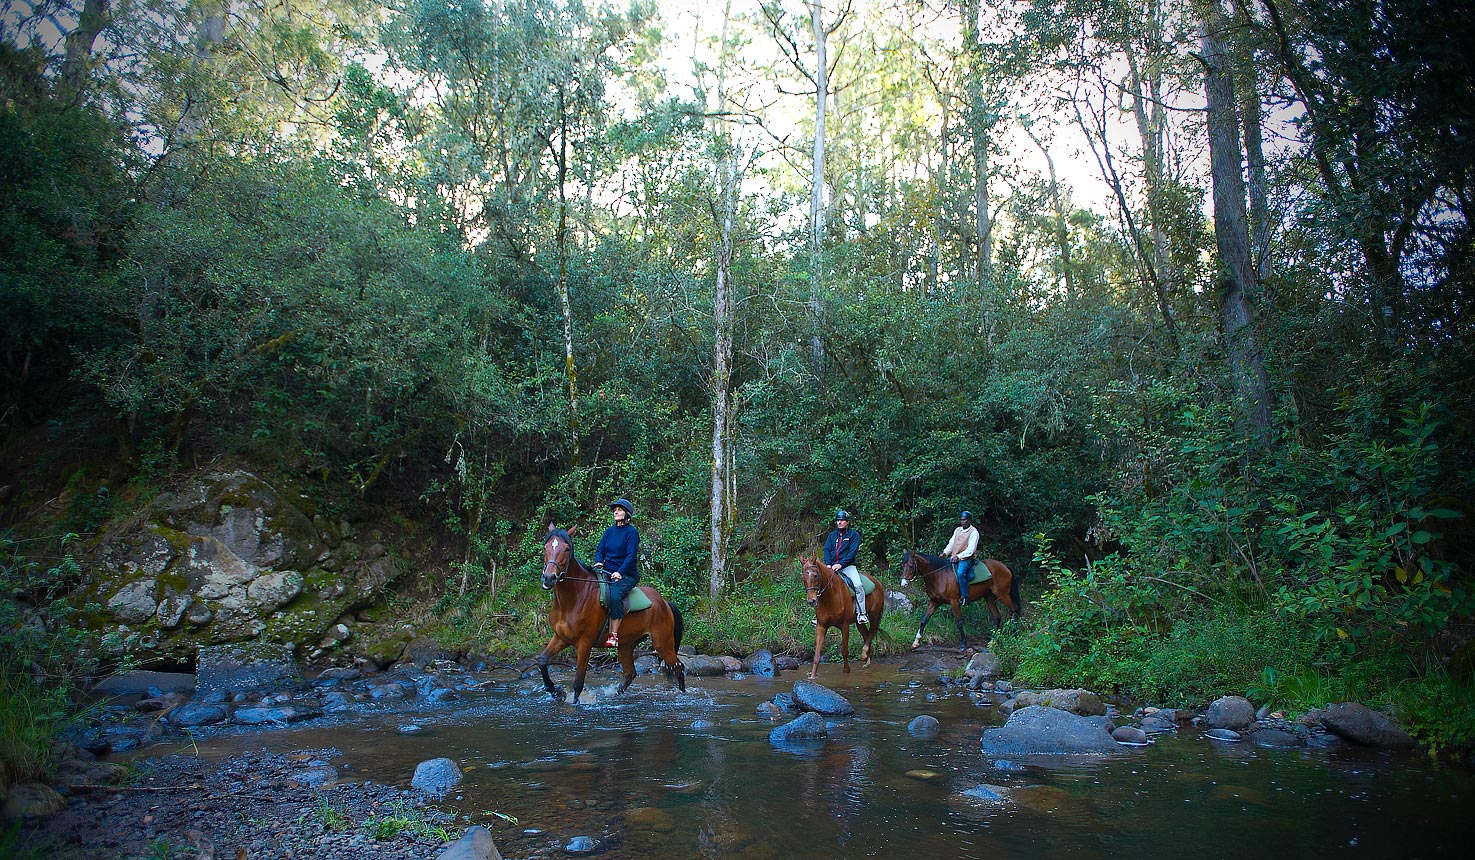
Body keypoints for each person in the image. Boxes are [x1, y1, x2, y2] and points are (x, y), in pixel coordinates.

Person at [594, 498, 640, 647]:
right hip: (607, 570)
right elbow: (600, 549)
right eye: (615, 510)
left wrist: (620, 572)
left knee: (614, 596)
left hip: (627, 574)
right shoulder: (609, 531)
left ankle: (613, 635)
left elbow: (631, 555)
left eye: (619, 509)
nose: (616, 511)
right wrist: (599, 561)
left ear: (627, 514)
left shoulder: (632, 533)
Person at [823, 509, 869, 624]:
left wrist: (841, 564)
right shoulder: (832, 535)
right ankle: (820, 615)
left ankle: (861, 613)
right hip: (832, 566)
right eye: (838, 520)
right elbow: (827, 549)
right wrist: (828, 563)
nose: (839, 522)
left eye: (842, 520)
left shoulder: (854, 535)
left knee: (858, 585)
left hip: (848, 566)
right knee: (821, 585)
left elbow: (852, 552)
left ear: (847, 522)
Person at [941, 510, 980, 606]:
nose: (962, 522)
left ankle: (965, 596)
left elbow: (971, 549)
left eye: (965, 520)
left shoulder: (974, 532)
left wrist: (958, 557)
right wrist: (945, 553)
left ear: (969, 521)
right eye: (962, 520)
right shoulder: (957, 530)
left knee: (960, 573)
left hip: (966, 559)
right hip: (954, 557)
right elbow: (951, 543)